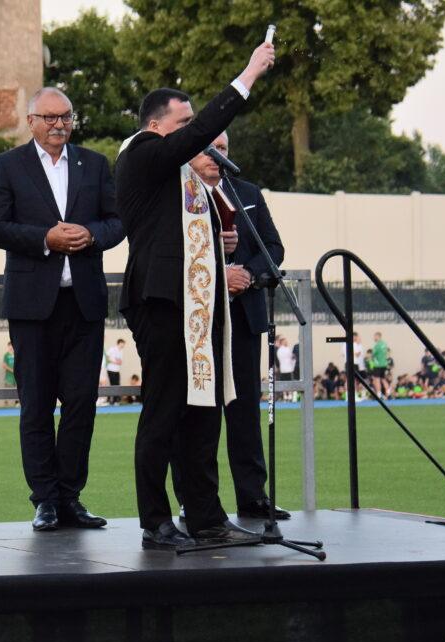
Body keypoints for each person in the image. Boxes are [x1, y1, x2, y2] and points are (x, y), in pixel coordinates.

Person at [115, 40, 275, 550]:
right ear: (156, 126)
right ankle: (154, 520)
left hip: (199, 306)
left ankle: (206, 516)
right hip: (161, 302)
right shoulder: (141, 155)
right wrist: (247, 74)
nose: (196, 138)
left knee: (202, 411)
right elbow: (204, 132)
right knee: (163, 411)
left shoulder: (190, 182)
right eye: (183, 124)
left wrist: (219, 239)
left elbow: (182, 234)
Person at [0, 86, 125, 531]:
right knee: (37, 406)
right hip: (32, 306)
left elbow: (118, 221)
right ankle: (44, 498)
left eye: (65, 116)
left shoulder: (95, 164)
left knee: (82, 403)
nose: (58, 124)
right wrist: (46, 239)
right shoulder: (7, 165)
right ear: (31, 121)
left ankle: (70, 497)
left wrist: (92, 235)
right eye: (49, 117)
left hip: (83, 304)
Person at [169, 131, 289, 520]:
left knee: (244, 412)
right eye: (208, 148)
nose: (216, 156)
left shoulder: (247, 192)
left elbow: (273, 247)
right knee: (193, 411)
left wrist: (248, 275)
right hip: (194, 323)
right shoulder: (175, 195)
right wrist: (222, 268)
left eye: (222, 149)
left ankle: (253, 497)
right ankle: (193, 500)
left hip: (242, 317)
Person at [371, 332, 390, 399]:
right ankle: (388, 392)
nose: (374, 338)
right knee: (383, 379)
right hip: (384, 364)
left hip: (378, 364)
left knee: (377, 379)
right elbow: (386, 353)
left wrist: (371, 360)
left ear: (378, 336)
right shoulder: (384, 344)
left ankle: (378, 394)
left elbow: (373, 354)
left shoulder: (377, 345)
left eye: (375, 336)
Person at [107, 339, 125, 404]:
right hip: (111, 369)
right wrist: (115, 362)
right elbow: (107, 358)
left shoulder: (122, 351)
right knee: (112, 385)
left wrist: (118, 362)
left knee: (117, 384)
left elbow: (120, 361)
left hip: (117, 370)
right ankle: (111, 400)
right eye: (122, 344)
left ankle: (116, 400)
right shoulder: (112, 349)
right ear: (119, 343)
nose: (123, 345)